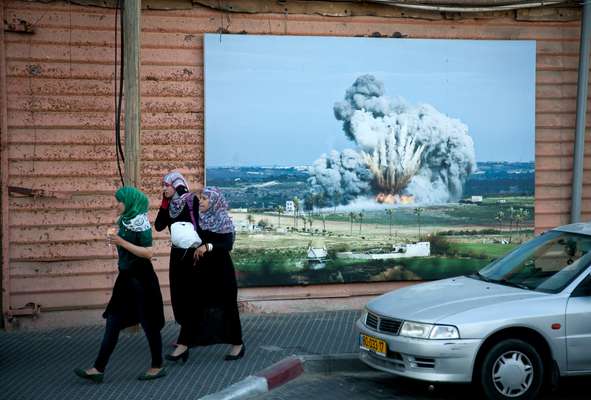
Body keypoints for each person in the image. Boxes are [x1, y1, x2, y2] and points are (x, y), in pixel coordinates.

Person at [75, 186, 166, 383]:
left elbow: (148, 253)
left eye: (119, 201)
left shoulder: (141, 223)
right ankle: (98, 368)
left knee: (148, 323)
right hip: (125, 279)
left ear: (130, 202)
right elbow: (120, 238)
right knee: (113, 321)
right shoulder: (124, 220)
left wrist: (121, 242)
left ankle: (157, 366)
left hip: (142, 279)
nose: (116, 204)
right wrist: (115, 237)